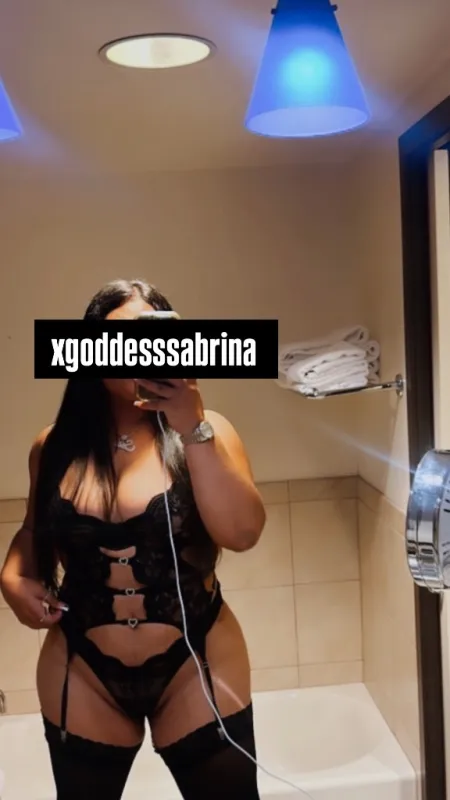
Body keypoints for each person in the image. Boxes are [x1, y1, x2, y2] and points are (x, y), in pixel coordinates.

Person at [0, 279, 266, 800]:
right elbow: (32, 531)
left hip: (197, 662)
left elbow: (243, 534)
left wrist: (191, 426)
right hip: (83, 669)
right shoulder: (53, 447)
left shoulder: (208, 429)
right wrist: (11, 578)